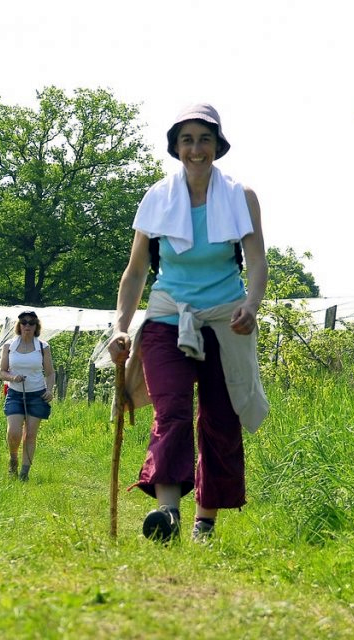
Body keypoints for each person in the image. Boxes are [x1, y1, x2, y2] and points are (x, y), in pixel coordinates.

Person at [107, 103, 268, 543]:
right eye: (187, 139)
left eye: (204, 139)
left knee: (219, 417)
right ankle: (168, 513)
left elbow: (256, 263)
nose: (196, 149)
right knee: (172, 411)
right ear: (175, 147)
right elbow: (136, 271)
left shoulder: (241, 196)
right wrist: (121, 326)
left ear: (218, 145)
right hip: (167, 317)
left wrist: (251, 306)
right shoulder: (157, 197)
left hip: (225, 319)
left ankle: (205, 521)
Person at [0, 310, 55, 481]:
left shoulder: (43, 347)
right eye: (24, 322)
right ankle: (13, 458)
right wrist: (12, 377)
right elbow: (1, 372)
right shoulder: (9, 346)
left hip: (37, 395)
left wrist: (49, 390)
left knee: (30, 434)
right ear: (19, 325)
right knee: (14, 432)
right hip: (15, 393)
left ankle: (24, 473)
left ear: (36, 326)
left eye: (31, 322)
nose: (27, 326)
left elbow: (50, 373)